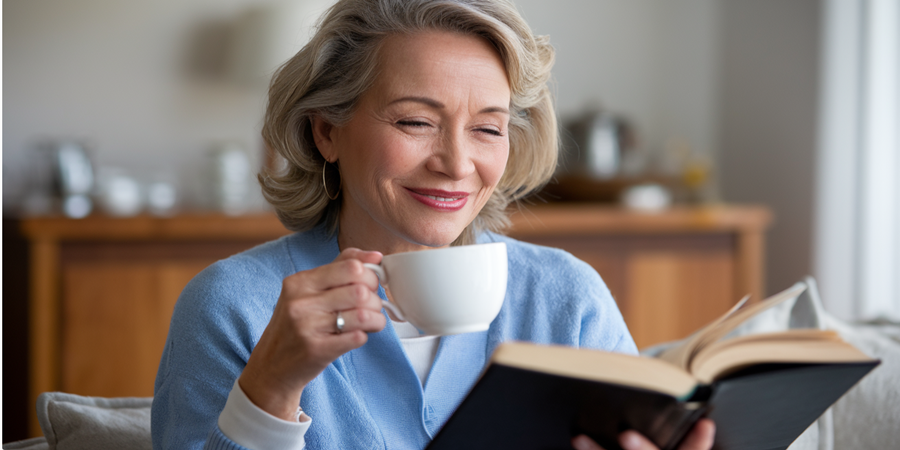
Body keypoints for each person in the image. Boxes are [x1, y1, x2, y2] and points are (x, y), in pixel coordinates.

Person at [151, 1, 715, 449]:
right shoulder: (233, 306)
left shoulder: (565, 299)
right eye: (416, 121)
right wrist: (271, 388)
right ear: (326, 131)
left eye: (487, 129)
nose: (456, 163)